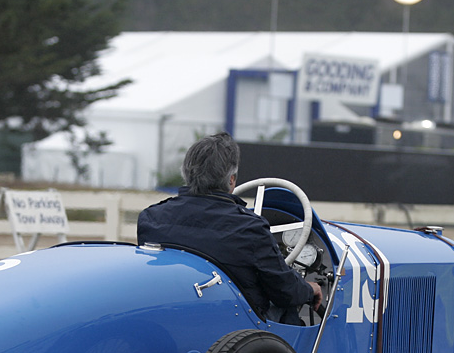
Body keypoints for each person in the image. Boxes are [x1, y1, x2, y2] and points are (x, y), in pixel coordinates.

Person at [137, 132, 322, 323]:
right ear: (231, 180)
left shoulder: (151, 218)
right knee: (289, 308)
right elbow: (285, 290)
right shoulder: (250, 228)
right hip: (233, 324)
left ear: (186, 174)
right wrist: (310, 289)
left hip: (173, 315)